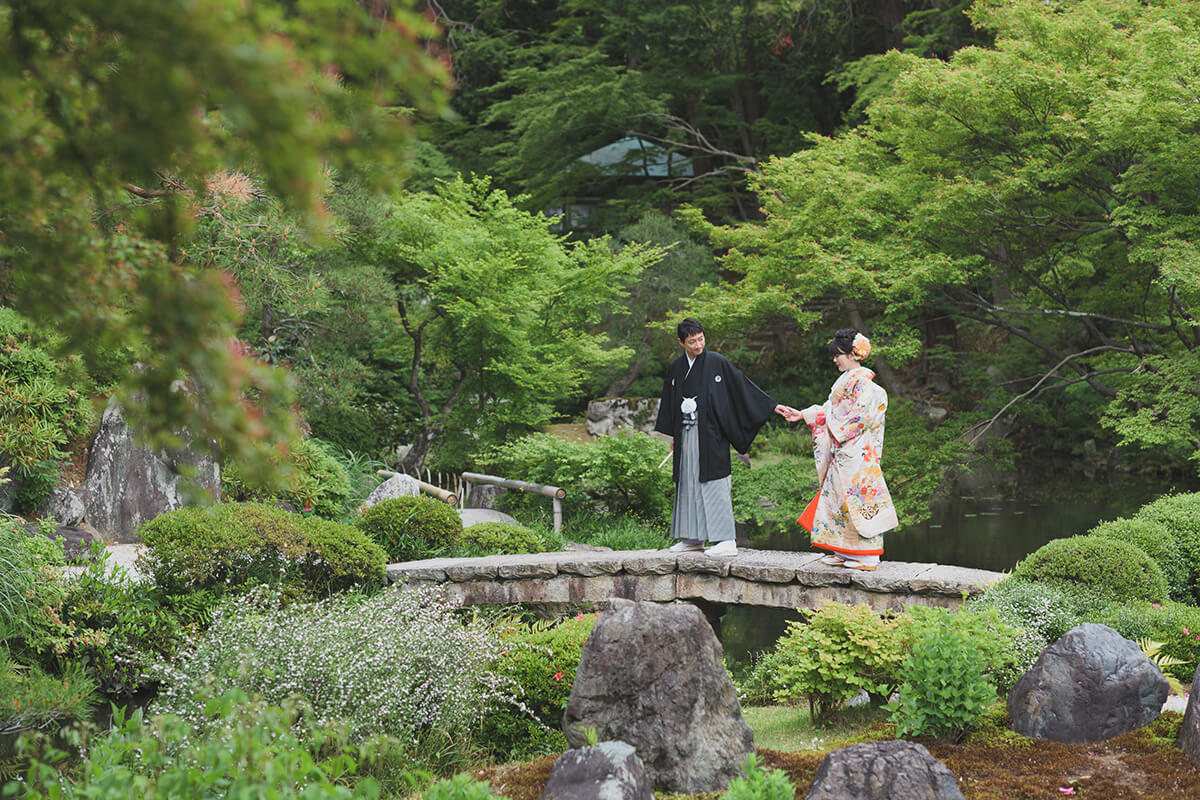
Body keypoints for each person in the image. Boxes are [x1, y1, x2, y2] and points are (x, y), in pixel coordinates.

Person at [655, 318, 790, 557]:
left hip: (711, 435)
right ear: (681, 342)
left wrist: (771, 405)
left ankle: (726, 539)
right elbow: (670, 401)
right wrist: (675, 434)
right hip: (686, 434)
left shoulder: (717, 362)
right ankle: (692, 538)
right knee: (687, 483)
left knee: (714, 483)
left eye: (701, 339)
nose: (698, 345)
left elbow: (741, 386)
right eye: (692, 341)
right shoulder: (677, 367)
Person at [779, 328, 898, 570]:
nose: (835, 359)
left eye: (838, 355)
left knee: (858, 502)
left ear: (853, 354)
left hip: (857, 454)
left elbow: (859, 418)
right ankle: (843, 550)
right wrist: (803, 414)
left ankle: (867, 557)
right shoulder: (846, 381)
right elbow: (829, 410)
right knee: (837, 500)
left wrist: (833, 429)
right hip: (843, 452)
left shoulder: (866, 385)